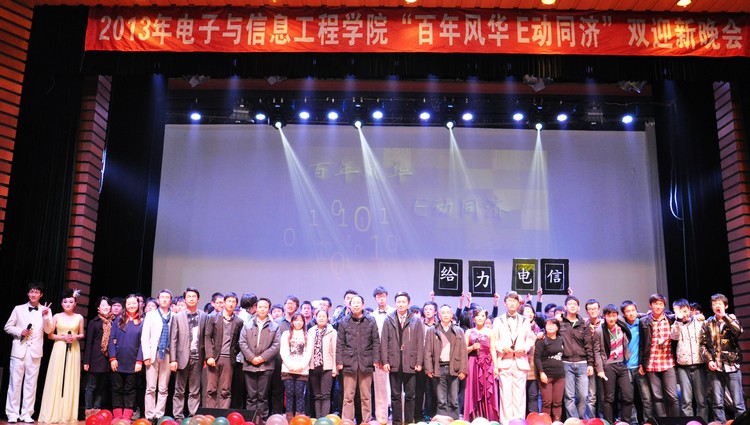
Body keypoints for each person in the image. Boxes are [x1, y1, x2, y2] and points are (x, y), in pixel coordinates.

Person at [4, 281, 54, 423]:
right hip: (19, 350)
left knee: (31, 384)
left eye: (36, 292)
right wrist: (20, 331)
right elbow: (7, 327)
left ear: (41, 295)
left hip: (35, 352)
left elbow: (49, 331)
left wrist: (45, 316)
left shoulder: (46, 310)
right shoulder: (18, 309)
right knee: (15, 383)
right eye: (31, 291)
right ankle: (12, 413)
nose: (33, 294)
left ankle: (26, 413)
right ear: (28, 293)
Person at [38, 289, 85, 423]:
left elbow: (82, 334)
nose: (68, 304)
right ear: (62, 303)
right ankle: (53, 412)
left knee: (70, 377)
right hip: (59, 348)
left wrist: (75, 337)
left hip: (73, 349)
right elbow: (50, 335)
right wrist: (63, 337)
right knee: (56, 377)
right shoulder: (56, 316)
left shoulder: (79, 317)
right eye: (65, 302)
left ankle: (67, 414)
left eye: (70, 302)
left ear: (75, 303)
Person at [700, 293, 745, 422]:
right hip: (716, 368)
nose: (716, 306)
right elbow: (703, 345)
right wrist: (709, 360)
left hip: (732, 365)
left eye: (719, 303)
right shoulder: (708, 323)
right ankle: (720, 423)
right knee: (717, 403)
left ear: (726, 306)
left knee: (738, 402)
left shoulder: (731, 319)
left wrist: (724, 317)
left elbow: (738, 331)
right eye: (714, 304)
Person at [336, 293, 381, 423]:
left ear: (363, 305)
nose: (356, 305)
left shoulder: (371, 320)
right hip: (349, 361)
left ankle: (366, 421)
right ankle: (347, 421)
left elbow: (376, 341)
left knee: (366, 396)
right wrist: (339, 361)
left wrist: (376, 359)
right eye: (353, 303)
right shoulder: (344, 321)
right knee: (348, 396)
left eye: (358, 303)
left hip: (366, 361)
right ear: (349, 305)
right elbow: (340, 343)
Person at [381, 291, 424, 425]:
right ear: (395, 303)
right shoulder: (389, 319)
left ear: (408, 303)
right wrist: (385, 361)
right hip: (394, 362)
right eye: (398, 302)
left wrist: (419, 361)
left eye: (403, 302)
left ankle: (409, 421)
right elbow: (384, 341)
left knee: (410, 395)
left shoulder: (416, 319)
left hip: (410, 362)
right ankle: (397, 422)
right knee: (395, 395)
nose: (400, 304)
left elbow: (420, 342)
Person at [494, 291, 536, 424]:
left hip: (520, 360)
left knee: (519, 395)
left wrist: (524, 348)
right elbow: (494, 340)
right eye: (510, 301)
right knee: (505, 394)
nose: (512, 303)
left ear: (519, 304)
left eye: (515, 301)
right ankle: (506, 422)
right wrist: (502, 348)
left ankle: (518, 422)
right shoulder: (498, 320)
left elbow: (530, 339)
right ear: (505, 303)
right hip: (505, 360)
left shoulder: (525, 320)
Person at [239, 297, 281, 422]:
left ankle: (262, 420)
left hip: (266, 366)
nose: (262, 309)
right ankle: (251, 420)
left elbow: (276, 345)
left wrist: (262, 358)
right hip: (249, 365)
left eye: (265, 307)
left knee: (263, 396)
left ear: (269, 309)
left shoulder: (275, 326)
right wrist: (252, 358)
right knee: (251, 396)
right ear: (256, 308)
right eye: (260, 307)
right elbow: (242, 342)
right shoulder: (247, 324)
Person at [169, 287, 207, 421]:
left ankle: (193, 416)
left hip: (198, 356)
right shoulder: (178, 316)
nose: (191, 299)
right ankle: (178, 417)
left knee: (195, 390)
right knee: (179, 390)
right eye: (189, 296)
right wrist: (173, 359)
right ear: (185, 299)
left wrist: (205, 358)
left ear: (198, 299)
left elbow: (206, 338)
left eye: (194, 296)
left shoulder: (204, 316)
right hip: (181, 357)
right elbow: (173, 339)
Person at [424, 304, 467, 420]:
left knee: (454, 399)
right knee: (441, 399)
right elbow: (427, 351)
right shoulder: (432, 330)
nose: (446, 315)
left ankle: (454, 421)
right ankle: (442, 421)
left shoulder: (458, 331)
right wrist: (429, 369)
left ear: (452, 315)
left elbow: (463, 352)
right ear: (439, 315)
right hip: (438, 368)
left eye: (448, 312)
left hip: (454, 367)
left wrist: (463, 370)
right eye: (443, 313)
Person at [639, 293, 679, 417]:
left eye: (661, 304)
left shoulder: (671, 319)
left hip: (668, 362)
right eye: (655, 304)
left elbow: (686, 316)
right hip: (652, 363)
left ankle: (676, 422)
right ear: (650, 305)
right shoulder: (644, 321)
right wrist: (641, 363)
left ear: (664, 306)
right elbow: (642, 344)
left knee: (673, 396)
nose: (658, 306)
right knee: (657, 397)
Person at [593, 304, 633, 424]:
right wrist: (600, 369)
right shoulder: (599, 331)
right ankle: (608, 422)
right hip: (608, 366)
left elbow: (635, 316)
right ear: (604, 316)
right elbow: (596, 351)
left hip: (622, 364)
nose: (612, 318)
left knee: (628, 395)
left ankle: (625, 422)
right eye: (609, 316)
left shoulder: (621, 325)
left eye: (614, 315)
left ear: (617, 316)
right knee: (609, 398)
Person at [670, 298, 708, 421]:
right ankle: (689, 422)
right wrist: (678, 320)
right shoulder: (676, 324)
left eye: (685, 311)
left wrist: (698, 317)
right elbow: (674, 336)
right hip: (683, 366)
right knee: (686, 400)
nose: (684, 314)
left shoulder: (699, 322)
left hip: (699, 364)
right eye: (680, 311)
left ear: (689, 310)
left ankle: (702, 422)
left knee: (701, 400)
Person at [205, 291, 244, 408]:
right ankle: (210, 414)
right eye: (229, 301)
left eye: (233, 302)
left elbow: (240, 341)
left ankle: (223, 414)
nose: (231, 304)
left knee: (225, 390)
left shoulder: (239, 321)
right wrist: (209, 356)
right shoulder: (213, 318)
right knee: (211, 389)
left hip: (229, 359)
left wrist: (234, 352)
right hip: (214, 358)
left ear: (236, 304)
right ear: (224, 303)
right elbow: (207, 337)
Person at [108, 294, 144, 421]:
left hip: (134, 361)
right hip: (118, 361)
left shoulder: (143, 321)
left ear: (138, 304)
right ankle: (118, 416)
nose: (131, 306)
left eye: (134, 303)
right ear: (125, 305)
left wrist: (139, 360)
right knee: (117, 389)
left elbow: (143, 343)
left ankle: (127, 417)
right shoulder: (118, 320)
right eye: (129, 303)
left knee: (130, 389)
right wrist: (113, 358)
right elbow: (111, 340)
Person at [558, 295, 594, 419]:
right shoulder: (560, 323)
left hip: (582, 363)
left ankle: (581, 419)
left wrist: (590, 364)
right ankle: (573, 420)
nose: (572, 306)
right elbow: (550, 332)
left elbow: (589, 345)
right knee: (569, 396)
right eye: (570, 304)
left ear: (578, 308)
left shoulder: (583, 324)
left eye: (575, 304)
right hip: (566, 363)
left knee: (583, 395)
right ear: (565, 307)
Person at [141, 289, 173, 422]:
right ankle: (149, 415)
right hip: (153, 353)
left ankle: (159, 415)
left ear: (170, 300)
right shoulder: (151, 315)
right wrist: (146, 355)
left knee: (163, 388)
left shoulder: (174, 316)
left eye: (167, 297)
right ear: (158, 300)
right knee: (151, 387)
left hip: (168, 354)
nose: (164, 299)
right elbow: (145, 336)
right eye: (162, 297)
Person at [463, 307, 498, 421]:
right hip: (473, 363)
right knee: (473, 390)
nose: (480, 318)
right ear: (473, 318)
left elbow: (493, 349)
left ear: (486, 318)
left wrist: (496, 367)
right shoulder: (468, 332)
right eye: (477, 315)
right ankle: (474, 417)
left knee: (487, 391)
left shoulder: (490, 332)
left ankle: (488, 417)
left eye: (482, 316)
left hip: (487, 364)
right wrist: (472, 347)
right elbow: (463, 350)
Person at [620, 300, 652, 425]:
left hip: (640, 367)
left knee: (646, 397)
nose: (631, 313)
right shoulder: (621, 325)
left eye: (633, 310)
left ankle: (647, 421)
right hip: (625, 367)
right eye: (628, 311)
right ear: (624, 313)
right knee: (629, 399)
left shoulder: (642, 323)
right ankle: (633, 422)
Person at [83, 296, 114, 418]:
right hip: (95, 358)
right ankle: (88, 410)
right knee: (91, 386)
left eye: (107, 305)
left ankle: (97, 409)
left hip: (107, 359)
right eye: (103, 305)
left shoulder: (114, 322)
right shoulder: (94, 322)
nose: (106, 307)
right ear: (98, 308)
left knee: (101, 387)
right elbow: (89, 342)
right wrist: (86, 361)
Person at [280, 312, 313, 419]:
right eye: (296, 320)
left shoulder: (308, 336)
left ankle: (299, 417)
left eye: (301, 320)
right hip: (287, 369)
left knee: (300, 395)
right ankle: (289, 417)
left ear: (304, 322)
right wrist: (290, 366)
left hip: (302, 370)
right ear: (292, 322)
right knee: (289, 394)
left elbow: (308, 353)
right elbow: (283, 351)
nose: (298, 322)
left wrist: (301, 366)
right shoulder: (286, 334)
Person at [308, 308, 337, 417]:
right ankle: (318, 419)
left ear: (327, 318)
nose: (321, 318)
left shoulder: (332, 331)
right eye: (319, 316)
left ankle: (324, 420)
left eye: (324, 316)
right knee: (316, 395)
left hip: (327, 367)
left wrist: (334, 368)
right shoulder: (310, 331)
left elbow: (335, 350)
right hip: (313, 367)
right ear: (315, 317)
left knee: (325, 395)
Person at [535, 318, 565, 422]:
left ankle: (557, 422)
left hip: (560, 375)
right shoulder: (542, 340)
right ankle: (545, 422)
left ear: (557, 328)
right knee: (547, 402)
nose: (551, 326)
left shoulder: (561, 339)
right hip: (546, 375)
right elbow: (537, 358)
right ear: (545, 327)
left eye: (553, 325)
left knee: (558, 402)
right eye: (548, 324)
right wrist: (541, 372)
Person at [372, 286, 394, 425]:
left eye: (383, 295)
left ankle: (399, 416)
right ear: (375, 298)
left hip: (394, 355)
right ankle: (382, 417)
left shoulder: (394, 312)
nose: (381, 298)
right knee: (380, 389)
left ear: (387, 296)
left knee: (397, 388)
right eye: (378, 296)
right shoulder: (372, 316)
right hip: (379, 355)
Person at [522, 303, 543, 415]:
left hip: (534, 366)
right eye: (527, 311)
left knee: (533, 394)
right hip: (520, 364)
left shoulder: (538, 329)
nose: (530, 314)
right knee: (520, 396)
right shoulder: (518, 328)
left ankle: (533, 417)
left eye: (531, 312)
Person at [584, 299, 603, 419]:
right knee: (591, 395)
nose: (593, 311)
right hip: (589, 363)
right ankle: (591, 420)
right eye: (590, 309)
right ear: (587, 311)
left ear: (599, 309)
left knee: (604, 395)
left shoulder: (605, 323)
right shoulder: (583, 324)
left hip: (603, 363)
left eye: (595, 308)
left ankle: (603, 420)